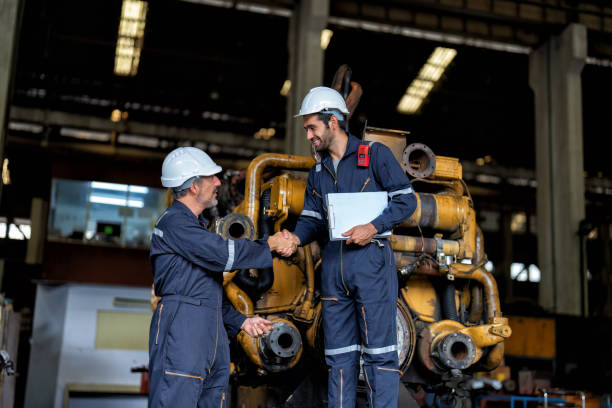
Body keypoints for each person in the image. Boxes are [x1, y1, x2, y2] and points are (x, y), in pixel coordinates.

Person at [281, 87, 417, 407]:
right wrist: (295, 238)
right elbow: (312, 220)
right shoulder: (318, 172)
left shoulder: (375, 156)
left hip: (372, 265)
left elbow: (406, 200)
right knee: (338, 359)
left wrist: (372, 227)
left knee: (380, 357)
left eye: (312, 128)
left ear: (333, 122)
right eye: (306, 130)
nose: (309, 135)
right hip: (333, 269)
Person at [148, 146, 295, 408]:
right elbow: (222, 254)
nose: (218, 182)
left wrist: (242, 322)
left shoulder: (195, 226)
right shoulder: (174, 224)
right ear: (194, 186)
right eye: (211, 177)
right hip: (183, 332)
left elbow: (206, 293)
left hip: (207, 332)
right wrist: (269, 245)